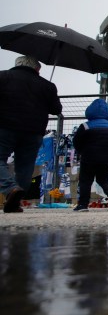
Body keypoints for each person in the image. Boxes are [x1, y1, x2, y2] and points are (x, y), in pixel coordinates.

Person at [0, 56, 62, 213]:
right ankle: (15, 201)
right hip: (34, 131)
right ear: (37, 69)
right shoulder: (47, 86)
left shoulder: (3, 76)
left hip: (5, 127)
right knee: (25, 167)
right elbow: (56, 110)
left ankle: (10, 188)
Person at [73, 99, 108, 212]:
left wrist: (81, 152)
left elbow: (76, 142)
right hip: (107, 159)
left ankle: (83, 205)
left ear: (89, 111)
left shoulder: (85, 126)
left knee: (86, 180)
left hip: (89, 157)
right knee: (103, 180)